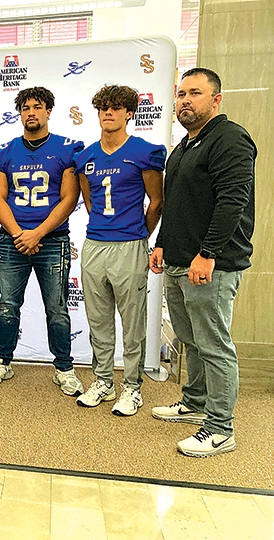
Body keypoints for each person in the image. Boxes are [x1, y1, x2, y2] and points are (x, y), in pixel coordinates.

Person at [150, 68, 256, 457]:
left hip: (211, 264)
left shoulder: (230, 139)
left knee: (214, 346)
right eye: (180, 94)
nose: (184, 101)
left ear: (216, 99)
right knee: (190, 340)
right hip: (178, 260)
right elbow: (175, 203)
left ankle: (220, 428)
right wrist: (161, 243)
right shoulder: (185, 145)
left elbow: (233, 202)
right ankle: (194, 402)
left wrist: (207, 254)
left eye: (194, 93)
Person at [0, 87, 85, 396]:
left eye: (37, 107)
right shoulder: (4, 151)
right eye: (25, 108)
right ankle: (2, 361)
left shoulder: (68, 148)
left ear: (48, 111)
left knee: (57, 308)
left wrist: (37, 234)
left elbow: (69, 199)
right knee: (8, 306)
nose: (31, 113)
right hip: (13, 240)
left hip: (51, 240)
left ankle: (64, 368)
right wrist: (18, 234)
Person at [74, 85, 165, 415]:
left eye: (116, 108)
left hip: (130, 244)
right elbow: (88, 201)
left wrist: (139, 234)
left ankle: (132, 386)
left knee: (132, 321)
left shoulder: (145, 151)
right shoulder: (85, 157)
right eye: (103, 108)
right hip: (95, 243)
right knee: (97, 320)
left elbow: (156, 202)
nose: (108, 113)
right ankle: (102, 381)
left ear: (130, 113)